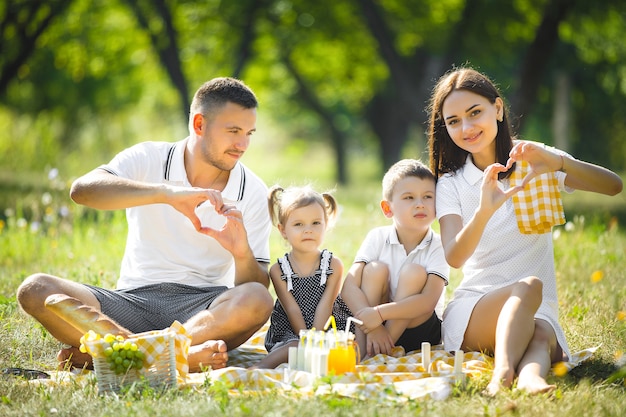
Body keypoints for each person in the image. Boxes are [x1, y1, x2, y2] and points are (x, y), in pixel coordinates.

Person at [16, 77, 275, 373]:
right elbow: (83, 190)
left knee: (257, 298)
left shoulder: (252, 191)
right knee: (35, 289)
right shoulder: (149, 157)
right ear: (200, 124)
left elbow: (254, 286)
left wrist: (241, 252)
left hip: (203, 310)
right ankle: (173, 358)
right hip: (130, 302)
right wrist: (166, 194)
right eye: (233, 131)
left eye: (249, 133)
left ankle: (120, 356)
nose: (242, 144)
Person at [427, 67, 623, 395]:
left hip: (538, 308)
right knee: (530, 288)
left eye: (475, 113)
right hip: (476, 306)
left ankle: (531, 378)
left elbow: (613, 186)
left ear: (498, 109)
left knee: (542, 333)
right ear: (445, 127)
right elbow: (455, 257)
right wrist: (484, 210)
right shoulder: (451, 183)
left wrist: (559, 162)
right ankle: (503, 372)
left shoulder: (535, 159)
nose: (467, 127)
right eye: (454, 120)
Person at [341, 159, 449, 360]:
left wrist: (380, 315)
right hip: (373, 329)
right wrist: (373, 327)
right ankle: (364, 353)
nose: (420, 204)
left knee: (414, 272)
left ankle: (374, 358)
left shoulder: (439, 244)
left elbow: (427, 302)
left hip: (420, 330)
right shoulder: (377, 237)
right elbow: (348, 287)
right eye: (409, 197)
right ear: (387, 208)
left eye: (428, 197)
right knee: (374, 269)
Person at [253, 185, 352, 369]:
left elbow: (326, 303)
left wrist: (316, 338)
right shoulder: (278, 270)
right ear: (283, 230)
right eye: (298, 224)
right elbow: (292, 309)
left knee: (341, 346)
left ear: (326, 224)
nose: (308, 230)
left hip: (326, 325)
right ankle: (258, 368)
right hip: (292, 329)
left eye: (316, 223)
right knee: (295, 346)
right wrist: (306, 339)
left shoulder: (333, 265)